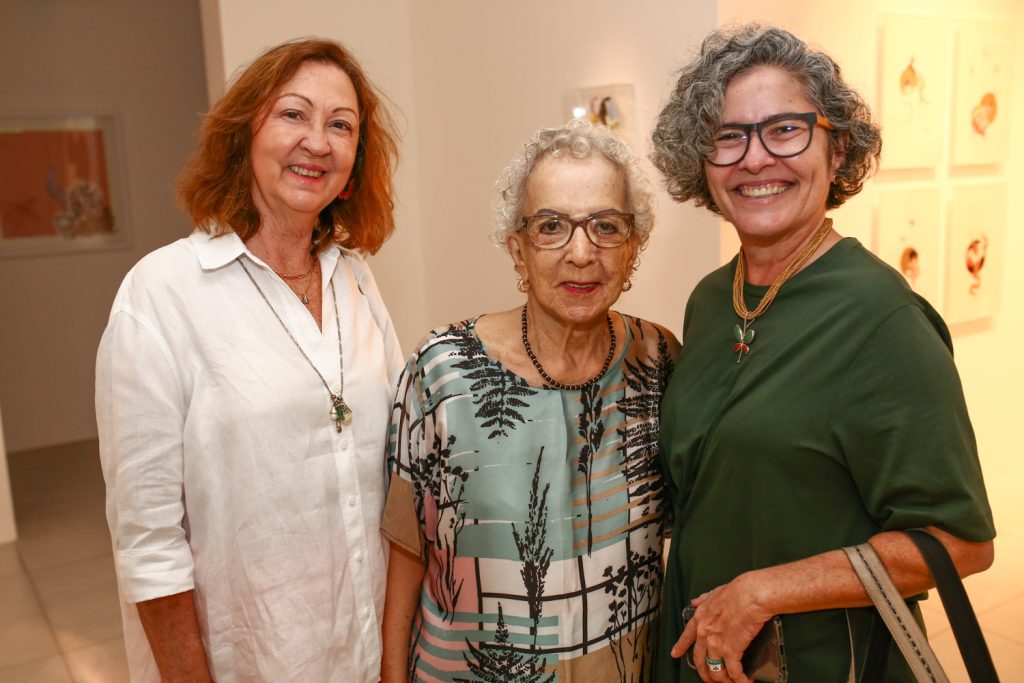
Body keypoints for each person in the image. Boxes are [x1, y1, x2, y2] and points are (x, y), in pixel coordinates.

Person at [649, 25, 995, 682]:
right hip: (702, 649)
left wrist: (761, 591)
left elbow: (960, 542)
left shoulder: (882, 319)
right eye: (728, 136)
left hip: (825, 660)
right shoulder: (711, 300)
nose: (755, 159)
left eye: (785, 130)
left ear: (836, 152)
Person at [96, 38, 403, 682]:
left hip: (366, 653)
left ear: (356, 159)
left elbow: (398, 469)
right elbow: (148, 542)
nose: (317, 142)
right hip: (251, 661)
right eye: (294, 114)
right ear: (244, 134)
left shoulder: (356, 281)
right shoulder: (162, 295)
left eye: (341, 126)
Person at [379, 119, 680, 682]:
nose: (581, 253)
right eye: (551, 227)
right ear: (518, 251)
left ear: (632, 248)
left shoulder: (659, 361)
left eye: (606, 226)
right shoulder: (441, 370)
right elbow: (405, 551)